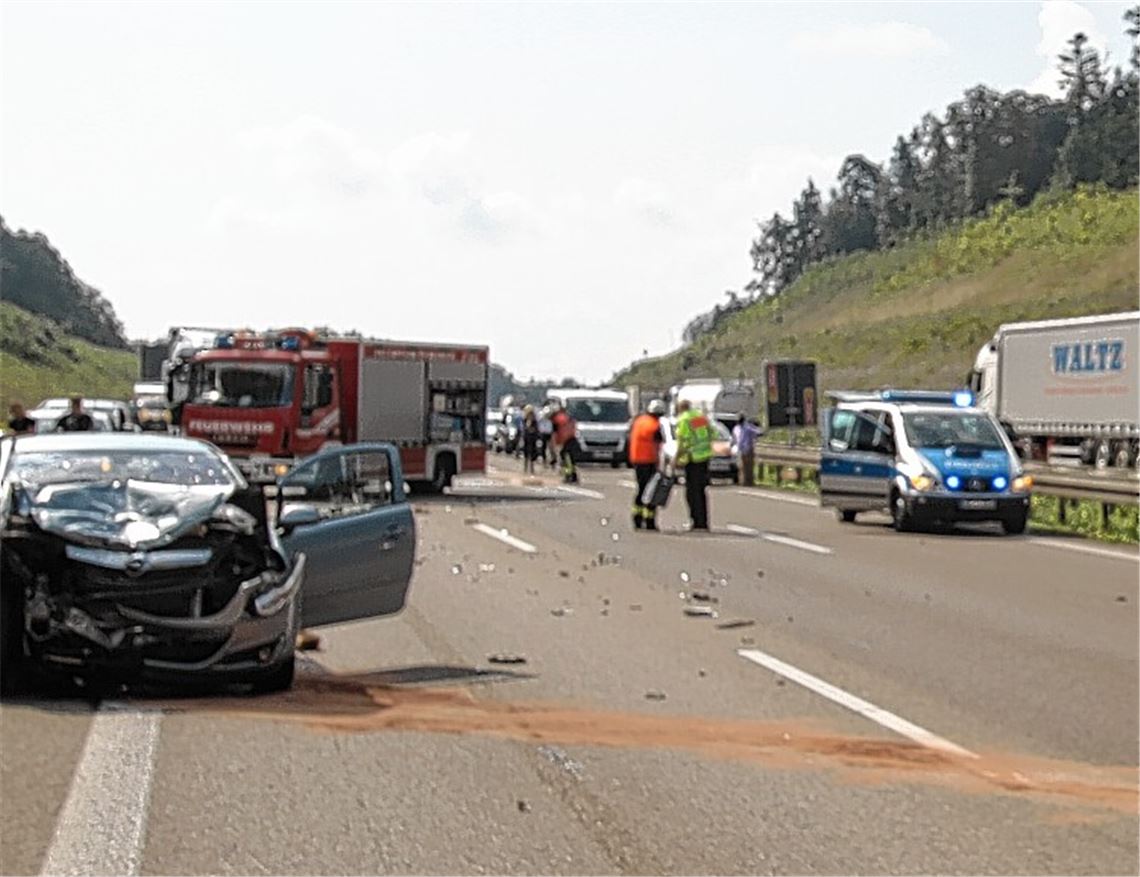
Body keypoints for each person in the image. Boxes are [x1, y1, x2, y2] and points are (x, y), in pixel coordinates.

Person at [627, 399, 666, 531]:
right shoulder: (654, 425)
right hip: (648, 460)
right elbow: (659, 441)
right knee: (651, 491)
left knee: (641, 489)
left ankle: (637, 519)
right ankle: (649, 521)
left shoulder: (639, 421)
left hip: (637, 459)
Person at [674, 400, 714, 531]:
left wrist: (677, 459)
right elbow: (712, 433)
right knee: (701, 492)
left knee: (692, 493)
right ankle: (703, 522)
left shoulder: (684, 419)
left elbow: (683, 441)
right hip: (704, 457)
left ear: (680, 409)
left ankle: (696, 521)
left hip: (693, 459)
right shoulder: (699, 417)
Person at [550, 401, 580, 483]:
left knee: (564, 459)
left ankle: (568, 476)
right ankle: (574, 476)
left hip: (566, 441)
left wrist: (555, 445)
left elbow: (555, 433)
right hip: (572, 439)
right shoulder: (569, 417)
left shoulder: (557, 419)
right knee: (571, 460)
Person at [732, 413, 761, 487]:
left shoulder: (747, 427)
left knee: (748, 466)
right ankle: (746, 481)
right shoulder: (740, 428)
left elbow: (757, 432)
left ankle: (748, 482)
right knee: (745, 466)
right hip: (744, 449)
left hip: (747, 449)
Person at [521, 405, 540, 474]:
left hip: (533, 439)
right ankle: (525, 469)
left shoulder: (535, 421)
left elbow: (536, 430)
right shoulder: (525, 420)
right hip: (527, 438)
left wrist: (532, 430)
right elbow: (525, 429)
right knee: (526, 454)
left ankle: (532, 469)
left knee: (532, 454)